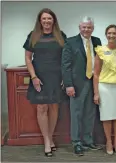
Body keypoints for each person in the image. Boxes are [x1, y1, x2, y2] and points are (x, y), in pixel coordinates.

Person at [23, 8, 67, 157]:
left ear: (53, 20)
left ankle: (51, 137)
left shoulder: (61, 36)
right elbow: (28, 58)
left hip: (56, 76)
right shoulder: (33, 35)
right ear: (40, 21)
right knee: (42, 108)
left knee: (54, 107)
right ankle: (47, 141)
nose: (47, 21)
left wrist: (64, 77)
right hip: (39, 77)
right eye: (44, 19)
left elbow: (65, 59)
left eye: (49, 19)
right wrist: (34, 77)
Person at [61, 16, 103, 156]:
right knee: (76, 113)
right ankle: (76, 142)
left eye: (89, 27)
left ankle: (87, 140)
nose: (86, 29)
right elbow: (65, 65)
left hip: (93, 82)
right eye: (84, 27)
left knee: (90, 113)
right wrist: (68, 85)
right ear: (80, 28)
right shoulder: (70, 42)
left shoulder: (97, 41)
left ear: (93, 28)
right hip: (77, 84)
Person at [93, 24, 116, 155]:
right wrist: (96, 93)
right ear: (106, 35)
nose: (111, 35)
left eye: (114, 33)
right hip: (105, 87)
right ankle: (108, 141)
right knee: (107, 117)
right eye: (109, 33)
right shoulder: (100, 50)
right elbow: (96, 73)